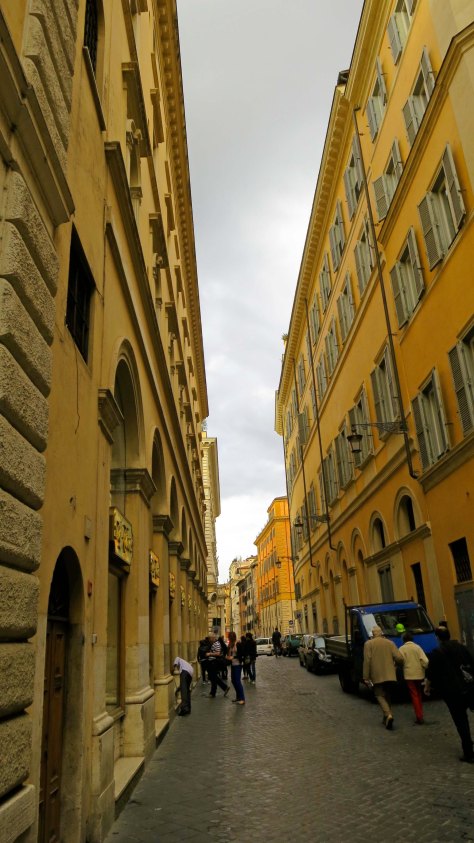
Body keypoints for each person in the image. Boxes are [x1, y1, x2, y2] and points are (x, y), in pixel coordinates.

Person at [425, 626, 474, 762]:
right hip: (468, 687)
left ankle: (469, 751)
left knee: (461, 721)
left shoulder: (437, 652)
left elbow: (431, 672)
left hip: (452, 692)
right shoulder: (461, 647)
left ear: (437, 637)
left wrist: (427, 687)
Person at [363, 625, 404, 730]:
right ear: (381, 633)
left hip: (376, 674)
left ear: (373, 634)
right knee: (387, 694)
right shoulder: (390, 643)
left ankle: (388, 714)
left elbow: (367, 661)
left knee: (379, 694)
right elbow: (399, 658)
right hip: (390, 673)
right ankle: (385, 717)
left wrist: (366, 677)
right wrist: (396, 665)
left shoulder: (368, 644)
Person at [399, 630, 428, 724]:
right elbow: (425, 661)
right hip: (419, 674)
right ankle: (421, 713)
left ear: (403, 639)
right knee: (419, 693)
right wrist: (424, 667)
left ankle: (419, 716)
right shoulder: (417, 647)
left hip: (409, 674)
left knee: (414, 694)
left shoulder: (402, 649)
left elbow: (399, 660)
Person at [206, 633, 230, 698]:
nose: (209, 639)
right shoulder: (214, 643)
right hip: (212, 662)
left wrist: (209, 654)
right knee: (213, 677)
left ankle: (214, 692)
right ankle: (221, 689)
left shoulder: (216, 643)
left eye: (210, 638)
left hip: (214, 663)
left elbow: (218, 653)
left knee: (213, 677)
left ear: (213, 638)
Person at [227, 631, 245, 705]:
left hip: (238, 664)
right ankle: (238, 697)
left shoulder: (238, 644)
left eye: (230, 637)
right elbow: (229, 654)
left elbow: (241, 655)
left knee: (237, 681)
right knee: (233, 681)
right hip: (233, 665)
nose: (229, 638)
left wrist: (233, 657)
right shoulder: (230, 645)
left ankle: (242, 699)